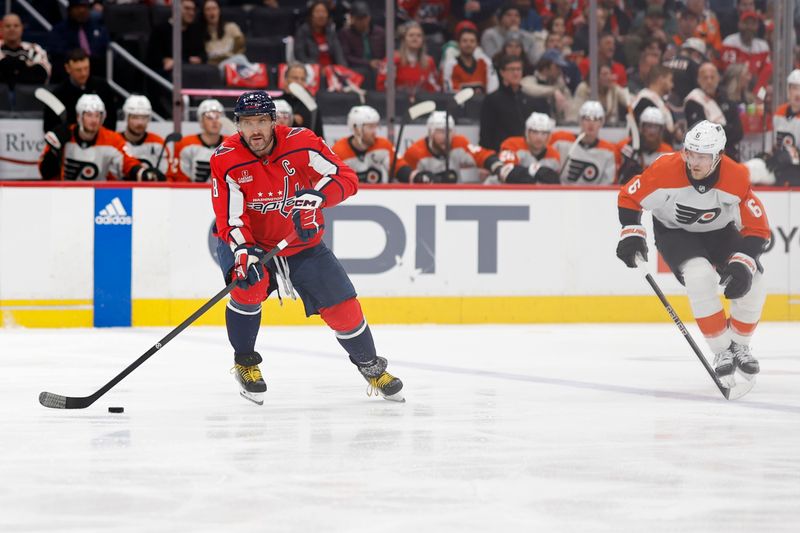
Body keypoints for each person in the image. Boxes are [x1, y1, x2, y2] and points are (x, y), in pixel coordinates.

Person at [208, 90, 404, 405]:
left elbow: (345, 176)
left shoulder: (302, 142)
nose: (255, 130)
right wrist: (243, 251)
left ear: (273, 121)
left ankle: (370, 365)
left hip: (301, 243)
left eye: (261, 121)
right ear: (237, 125)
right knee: (248, 286)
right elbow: (229, 217)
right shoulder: (225, 158)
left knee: (343, 307)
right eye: (247, 123)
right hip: (253, 245)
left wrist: (317, 197)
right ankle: (246, 364)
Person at [616, 120, 770, 387]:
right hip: (675, 233)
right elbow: (629, 196)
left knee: (754, 282)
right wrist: (631, 231)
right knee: (699, 276)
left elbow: (758, 227)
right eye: (690, 153)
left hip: (720, 232)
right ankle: (722, 350)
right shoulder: (665, 170)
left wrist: (744, 264)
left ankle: (740, 346)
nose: (694, 162)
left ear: (719, 156)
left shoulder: (736, 177)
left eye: (703, 156)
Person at [39, 94, 163, 181]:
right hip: (66, 196)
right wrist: (53, 151)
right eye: (89, 115)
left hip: (99, 196)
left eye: (97, 115)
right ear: (79, 117)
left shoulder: (112, 139)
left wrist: (143, 173)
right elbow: (46, 174)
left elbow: (128, 163)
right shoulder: (65, 135)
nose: (94, 120)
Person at [401, 111, 512, 184]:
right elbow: (404, 180)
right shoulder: (415, 152)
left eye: (449, 132)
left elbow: (482, 155)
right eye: (440, 131)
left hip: (456, 198)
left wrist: (497, 167)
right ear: (430, 133)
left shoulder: (458, 143)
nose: (446, 137)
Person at [479, 54, 549, 151]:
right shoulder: (492, 100)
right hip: (502, 153)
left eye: (518, 69)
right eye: (511, 69)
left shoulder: (529, 99)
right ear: (502, 72)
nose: (516, 73)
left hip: (526, 154)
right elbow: (486, 135)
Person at [42, 48, 119, 133]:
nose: (84, 73)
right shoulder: (59, 94)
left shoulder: (102, 87)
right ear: (68, 68)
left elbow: (111, 119)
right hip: (70, 142)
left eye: (86, 68)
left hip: (100, 141)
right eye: (78, 70)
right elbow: (49, 127)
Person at [684, 61, 743, 160]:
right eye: (705, 78)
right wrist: (726, 128)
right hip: (705, 158)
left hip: (730, 155)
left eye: (712, 77)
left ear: (718, 78)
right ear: (698, 80)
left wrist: (715, 129)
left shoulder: (727, 99)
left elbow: (738, 132)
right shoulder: (694, 101)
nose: (709, 81)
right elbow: (700, 134)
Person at [549, 100, 617, 185]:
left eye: (596, 119)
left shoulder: (608, 151)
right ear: (580, 120)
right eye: (587, 118)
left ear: (601, 123)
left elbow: (607, 183)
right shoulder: (561, 141)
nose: (591, 123)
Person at [331, 105, 400, 183]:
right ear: (356, 128)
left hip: (382, 194)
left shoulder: (384, 145)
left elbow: (399, 166)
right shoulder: (338, 151)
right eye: (370, 127)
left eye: (375, 126)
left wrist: (413, 176)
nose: (374, 132)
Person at [47, 0, 109, 82]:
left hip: (97, 71)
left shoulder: (99, 28)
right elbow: (57, 52)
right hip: (68, 75)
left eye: (84, 7)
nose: (81, 10)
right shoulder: (59, 30)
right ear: (70, 10)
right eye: (78, 7)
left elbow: (105, 47)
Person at [169, 98, 226, 182]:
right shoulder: (185, 144)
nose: (215, 121)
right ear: (201, 121)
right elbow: (179, 179)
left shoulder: (233, 144)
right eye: (209, 117)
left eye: (218, 117)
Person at [496, 111, 560, 183]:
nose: (539, 137)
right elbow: (506, 171)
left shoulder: (554, 155)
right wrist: (533, 170)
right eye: (535, 132)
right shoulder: (511, 145)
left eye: (544, 133)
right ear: (527, 132)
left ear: (549, 136)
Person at [375, 21, 439, 94]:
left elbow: (434, 88)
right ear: (404, 39)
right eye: (411, 35)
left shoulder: (429, 61)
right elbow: (382, 87)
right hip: (397, 102)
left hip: (421, 102)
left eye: (419, 35)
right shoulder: (392, 59)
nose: (415, 38)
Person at [615, 106, 673, 185]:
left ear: (661, 130)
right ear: (641, 128)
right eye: (648, 126)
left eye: (656, 127)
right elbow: (615, 179)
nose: (652, 131)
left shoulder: (667, 151)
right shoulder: (625, 146)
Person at [720, 10, 771, 93]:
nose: (749, 27)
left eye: (753, 24)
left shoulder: (763, 46)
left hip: (756, 91)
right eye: (746, 23)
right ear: (739, 24)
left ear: (757, 26)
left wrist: (757, 92)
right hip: (733, 90)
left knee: (767, 90)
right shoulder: (729, 42)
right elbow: (729, 73)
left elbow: (767, 73)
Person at [337, 2, 385, 86]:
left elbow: (387, 52)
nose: (363, 21)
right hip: (356, 70)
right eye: (359, 18)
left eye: (365, 17)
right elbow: (346, 57)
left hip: (379, 69)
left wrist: (382, 62)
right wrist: (368, 63)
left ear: (369, 17)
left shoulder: (380, 32)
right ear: (352, 18)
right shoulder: (345, 33)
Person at [120, 94, 169, 174]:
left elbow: (167, 177)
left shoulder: (158, 143)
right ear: (126, 117)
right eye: (135, 117)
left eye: (144, 117)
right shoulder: (115, 142)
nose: (140, 123)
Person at [0, 13, 51, 88]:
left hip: (28, 96)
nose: (12, 29)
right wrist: (24, 67)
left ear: (22, 28)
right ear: (1, 29)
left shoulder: (35, 49)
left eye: (16, 26)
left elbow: (43, 76)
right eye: (8, 26)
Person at [441, 26, 498, 94]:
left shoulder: (486, 63)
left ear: (477, 44)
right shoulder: (450, 65)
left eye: (472, 41)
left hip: (483, 103)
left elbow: (493, 87)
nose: (468, 44)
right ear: (458, 44)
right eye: (465, 41)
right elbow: (449, 91)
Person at [294, 0, 347, 67]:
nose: (321, 15)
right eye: (317, 12)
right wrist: (318, 67)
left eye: (324, 12)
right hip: (312, 70)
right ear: (311, 15)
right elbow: (300, 56)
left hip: (332, 70)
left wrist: (343, 68)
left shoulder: (331, 32)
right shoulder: (302, 32)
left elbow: (339, 54)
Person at [631, 64, 675, 140]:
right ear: (661, 79)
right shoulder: (644, 101)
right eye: (670, 80)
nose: (672, 85)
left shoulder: (657, 100)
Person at [280, 62, 324, 137]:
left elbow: (319, 137)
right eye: (295, 78)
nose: (299, 82)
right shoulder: (277, 102)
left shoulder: (311, 106)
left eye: (302, 79)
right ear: (286, 79)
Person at [201, 0, 247, 69]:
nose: (211, 12)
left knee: (240, 58)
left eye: (214, 8)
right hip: (215, 67)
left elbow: (241, 46)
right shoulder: (200, 32)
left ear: (219, 11)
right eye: (208, 10)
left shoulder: (231, 27)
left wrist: (227, 55)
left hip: (234, 63)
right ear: (203, 13)